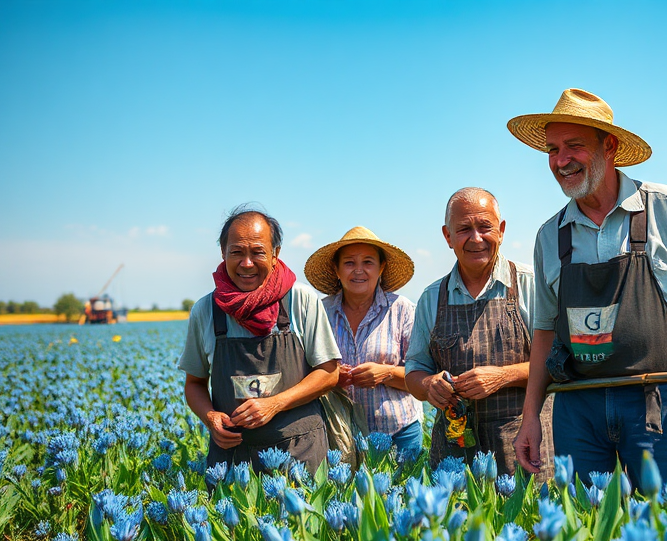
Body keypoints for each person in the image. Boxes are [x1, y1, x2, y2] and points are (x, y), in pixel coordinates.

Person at [508, 89, 667, 491]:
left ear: (611, 146)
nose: (560, 160)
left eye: (574, 146)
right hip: (577, 403)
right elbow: (545, 333)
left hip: (654, 401)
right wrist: (531, 414)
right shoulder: (550, 235)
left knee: (666, 522)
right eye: (552, 149)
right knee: (583, 528)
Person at [405, 187, 554, 479]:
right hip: (455, 455)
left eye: (485, 227)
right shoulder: (432, 297)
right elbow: (414, 373)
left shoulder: (529, 285)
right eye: (463, 229)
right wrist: (430, 383)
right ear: (447, 236)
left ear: (501, 230)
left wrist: (503, 376)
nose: (476, 238)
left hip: (525, 442)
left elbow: (558, 360)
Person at [179, 206, 341, 473]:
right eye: (237, 252)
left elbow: (329, 372)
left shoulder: (300, 300)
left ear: (275, 254)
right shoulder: (205, 310)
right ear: (223, 253)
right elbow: (194, 383)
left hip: (299, 452)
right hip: (232, 458)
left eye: (257, 252)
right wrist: (210, 418)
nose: (247, 263)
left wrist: (274, 404)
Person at [304, 226, 423, 459]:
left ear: (381, 268)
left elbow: (424, 376)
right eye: (349, 263)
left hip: (399, 432)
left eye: (368, 262)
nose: (358, 270)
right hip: (338, 434)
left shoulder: (402, 310)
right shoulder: (320, 311)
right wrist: (329, 377)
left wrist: (386, 373)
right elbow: (303, 369)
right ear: (336, 270)